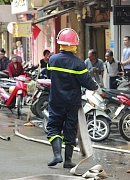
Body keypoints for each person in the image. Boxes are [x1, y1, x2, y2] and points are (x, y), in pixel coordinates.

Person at [46, 28, 98, 168]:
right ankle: (67, 160)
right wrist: (95, 86)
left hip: (56, 100)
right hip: (72, 102)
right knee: (70, 129)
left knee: (53, 127)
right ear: (75, 45)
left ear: (60, 44)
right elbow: (87, 82)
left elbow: (48, 76)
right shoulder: (78, 63)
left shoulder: (52, 60)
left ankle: (57, 154)